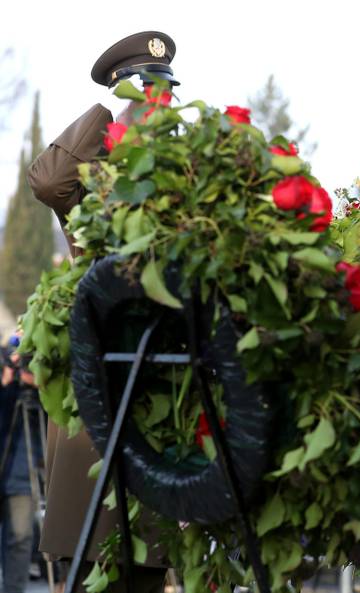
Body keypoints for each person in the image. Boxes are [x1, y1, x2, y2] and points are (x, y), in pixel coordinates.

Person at [27, 31, 178, 593]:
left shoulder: (183, 188)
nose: (156, 108)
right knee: (91, 560)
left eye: (163, 95)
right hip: (97, 396)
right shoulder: (93, 191)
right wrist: (108, 112)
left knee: (148, 567)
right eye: (144, 95)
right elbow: (47, 179)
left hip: (163, 397)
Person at [0, 335, 41, 593]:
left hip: (23, 473)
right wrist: (6, 384)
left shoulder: (42, 388)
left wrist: (40, 384)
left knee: (20, 537)